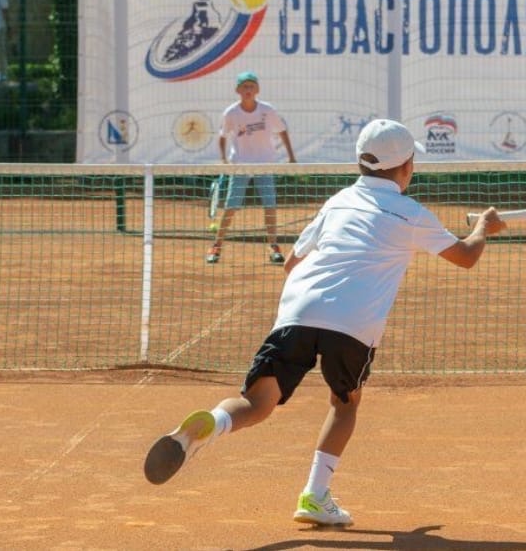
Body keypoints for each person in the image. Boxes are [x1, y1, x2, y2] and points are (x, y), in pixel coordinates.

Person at [144, 118, 506, 527]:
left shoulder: (337, 202)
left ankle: (213, 422)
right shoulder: (411, 212)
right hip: (353, 322)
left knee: (255, 403)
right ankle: (315, 496)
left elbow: (293, 262)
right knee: (344, 404)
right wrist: (483, 228)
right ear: (406, 168)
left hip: (298, 309)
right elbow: (466, 256)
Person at [206, 71, 297, 265]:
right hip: (240, 165)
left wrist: (291, 157)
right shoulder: (231, 113)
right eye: (244, 87)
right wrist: (223, 160)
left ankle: (273, 247)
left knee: (270, 207)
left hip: (265, 164)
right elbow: (222, 136)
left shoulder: (268, 110)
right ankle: (216, 246)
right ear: (238, 90)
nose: (248, 90)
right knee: (231, 208)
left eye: (251, 86)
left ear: (257, 90)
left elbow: (282, 131)